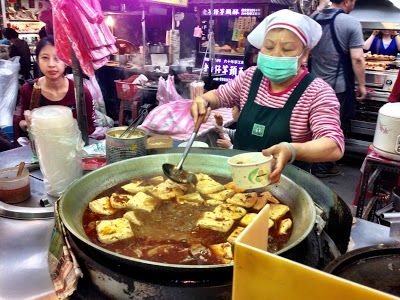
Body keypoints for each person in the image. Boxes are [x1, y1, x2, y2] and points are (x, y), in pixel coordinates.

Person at [191, 9, 344, 184]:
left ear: (305, 54)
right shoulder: (250, 77)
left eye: (287, 49)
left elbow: (333, 145)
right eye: (269, 47)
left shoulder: (317, 92)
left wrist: (290, 150)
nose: (276, 54)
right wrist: (202, 101)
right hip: (237, 182)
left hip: (283, 186)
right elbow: (218, 96)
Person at [309, 0, 366, 178]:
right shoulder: (351, 22)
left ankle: (310, 162)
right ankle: (324, 167)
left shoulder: (314, 19)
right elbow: (357, 58)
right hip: (336, 87)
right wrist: (362, 85)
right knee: (332, 126)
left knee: (311, 125)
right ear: (347, 1)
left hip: (312, 84)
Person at [15, 35, 96, 141]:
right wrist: (29, 124)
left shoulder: (81, 92)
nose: (51, 64)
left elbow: (90, 126)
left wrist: (68, 135)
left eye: (57, 58)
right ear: (38, 62)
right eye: (45, 58)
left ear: (66, 62)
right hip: (42, 147)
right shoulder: (29, 89)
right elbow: (21, 122)